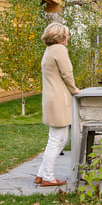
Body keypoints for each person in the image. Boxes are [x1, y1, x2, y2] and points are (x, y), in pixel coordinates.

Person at [35, 23, 80, 187]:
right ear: (60, 36)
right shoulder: (59, 50)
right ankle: (47, 176)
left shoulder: (49, 51)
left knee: (57, 138)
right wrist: (74, 89)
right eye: (66, 35)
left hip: (50, 98)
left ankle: (41, 174)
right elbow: (67, 73)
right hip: (59, 98)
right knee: (57, 140)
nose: (68, 37)